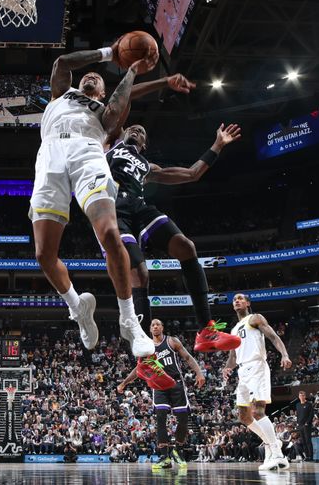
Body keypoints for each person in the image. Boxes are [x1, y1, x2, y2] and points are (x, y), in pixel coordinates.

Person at [29, 37, 158, 359]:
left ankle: (128, 319)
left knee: (111, 233)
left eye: (98, 79)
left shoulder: (104, 112)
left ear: (103, 92)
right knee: (44, 254)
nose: (91, 78)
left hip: (88, 153)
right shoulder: (61, 94)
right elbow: (61, 64)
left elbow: (116, 114)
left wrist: (130, 70)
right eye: (89, 75)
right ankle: (77, 307)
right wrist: (107, 53)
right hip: (50, 156)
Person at [103, 120, 243, 353]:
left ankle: (206, 331)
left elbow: (191, 173)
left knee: (186, 247)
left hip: (139, 208)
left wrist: (217, 145)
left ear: (144, 144)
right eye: (133, 128)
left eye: (142, 131)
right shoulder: (109, 147)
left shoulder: (148, 166)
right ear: (123, 133)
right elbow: (116, 113)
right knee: (139, 273)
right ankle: (147, 355)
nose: (137, 130)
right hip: (112, 210)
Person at [117, 319, 206, 471]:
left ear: (162, 327)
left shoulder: (172, 341)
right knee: (160, 418)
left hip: (176, 383)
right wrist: (124, 383)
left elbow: (187, 357)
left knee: (183, 418)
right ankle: (164, 457)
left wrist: (199, 373)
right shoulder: (147, 348)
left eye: (158, 324)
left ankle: (177, 450)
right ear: (150, 329)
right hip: (158, 385)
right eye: (153, 325)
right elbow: (138, 370)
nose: (156, 326)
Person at [222, 293, 292, 471]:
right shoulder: (234, 329)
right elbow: (232, 355)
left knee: (258, 411)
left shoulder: (254, 318)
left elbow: (273, 336)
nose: (236, 301)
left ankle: (277, 454)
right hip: (242, 371)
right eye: (234, 300)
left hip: (257, 366)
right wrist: (227, 367)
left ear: (247, 303)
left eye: (240, 298)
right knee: (244, 416)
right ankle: (272, 442)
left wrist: (284, 354)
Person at [295, 390, 314, 461]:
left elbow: (311, 414)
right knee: (303, 441)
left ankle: (311, 457)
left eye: (303, 395)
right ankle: (307, 456)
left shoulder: (309, 404)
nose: (301, 397)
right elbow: (298, 415)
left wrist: (307, 423)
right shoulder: (297, 405)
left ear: (305, 396)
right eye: (300, 395)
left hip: (307, 425)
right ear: (299, 397)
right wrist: (297, 423)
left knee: (308, 441)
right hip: (300, 425)